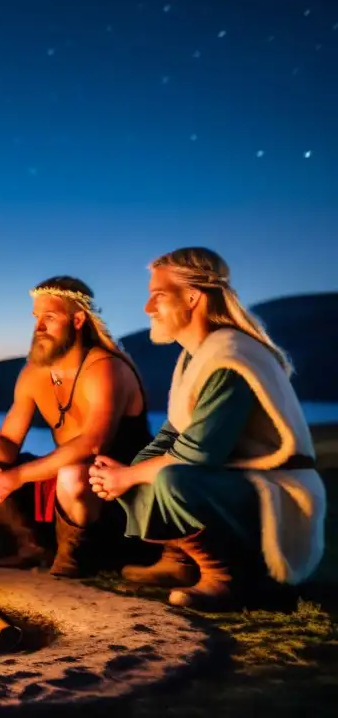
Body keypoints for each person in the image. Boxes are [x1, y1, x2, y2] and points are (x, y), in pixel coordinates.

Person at [89, 247, 326, 610]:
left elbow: (197, 454)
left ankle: (231, 579)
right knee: (142, 467)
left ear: (192, 297)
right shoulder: (196, 354)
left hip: (275, 494)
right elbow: (172, 433)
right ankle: (181, 560)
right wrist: (122, 472)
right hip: (235, 480)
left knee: (174, 478)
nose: (147, 309)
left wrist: (130, 476)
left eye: (158, 296)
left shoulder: (230, 357)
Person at [0, 277, 151, 577]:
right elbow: (9, 437)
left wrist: (17, 476)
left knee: (74, 472)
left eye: (49, 318)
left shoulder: (104, 367)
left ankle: (75, 559)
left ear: (77, 320)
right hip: (67, 489)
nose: (38, 329)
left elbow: (93, 444)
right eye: (36, 318)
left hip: (116, 491)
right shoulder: (34, 373)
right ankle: (32, 547)